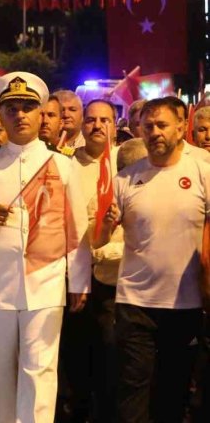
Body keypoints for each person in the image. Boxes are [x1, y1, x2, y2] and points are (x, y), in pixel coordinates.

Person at [0, 72, 90, 423]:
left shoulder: (62, 165)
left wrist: (78, 281)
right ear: (0, 114)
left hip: (45, 283)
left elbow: (77, 228)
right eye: (12, 108)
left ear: (42, 113)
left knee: (39, 374)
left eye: (28, 107)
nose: (20, 115)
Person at [97, 96, 210, 423]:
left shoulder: (203, 174)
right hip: (135, 303)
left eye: (162, 125)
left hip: (185, 303)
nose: (155, 132)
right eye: (148, 126)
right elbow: (98, 240)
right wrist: (105, 223)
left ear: (179, 127)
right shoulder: (125, 179)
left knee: (173, 392)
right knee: (132, 391)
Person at [62, 99, 121, 422]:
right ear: (82, 124)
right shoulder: (67, 165)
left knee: (110, 357)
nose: (97, 126)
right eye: (91, 120)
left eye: (105, 120)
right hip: (76, 275)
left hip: (117, 277)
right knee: (78, 356)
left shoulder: (126, 164)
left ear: (115, 123)